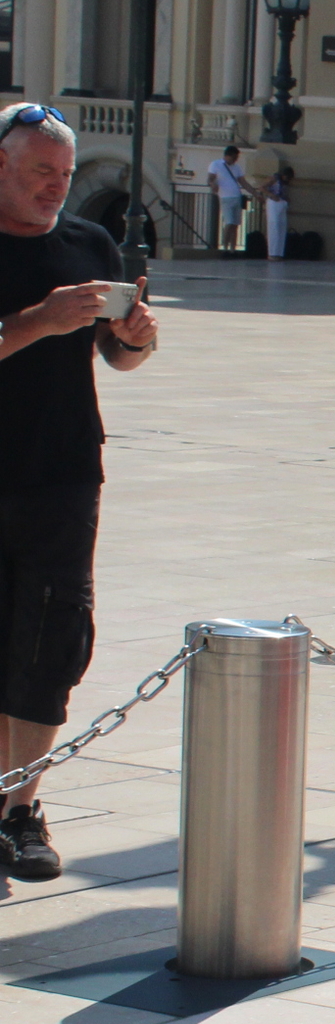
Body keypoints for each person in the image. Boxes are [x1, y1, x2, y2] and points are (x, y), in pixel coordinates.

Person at [0, 102, 162, 880]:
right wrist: (38, 319)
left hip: (64, 474)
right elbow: (34, 330)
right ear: (2, 166)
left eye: (64, 176)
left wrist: (135, 342)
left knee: (51, 646)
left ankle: (22, 809)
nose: (55, 189)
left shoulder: (88, 243)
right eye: (40, 173)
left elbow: (115, 359)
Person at [209, 145, 249, 253]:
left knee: (235, 224)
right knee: (229, 222)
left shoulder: (237, 167)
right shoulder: (216, 164)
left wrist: (254, 193)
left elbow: (243, 182)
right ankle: (225, 247)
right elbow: (210, 178)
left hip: (237, 197)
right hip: (225, 197)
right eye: (234, 157)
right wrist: (213, 185)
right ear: (228, 156)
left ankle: (233, 248)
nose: (236, 160)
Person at [262, 165, 293, 263]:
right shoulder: (274, 178)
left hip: (282, 203)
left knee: (281, 228)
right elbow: (262, 188)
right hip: (273, 202)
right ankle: (272, 253)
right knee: (274, 226)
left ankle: (279, 253)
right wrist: (271, 195)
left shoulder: (284, 182)